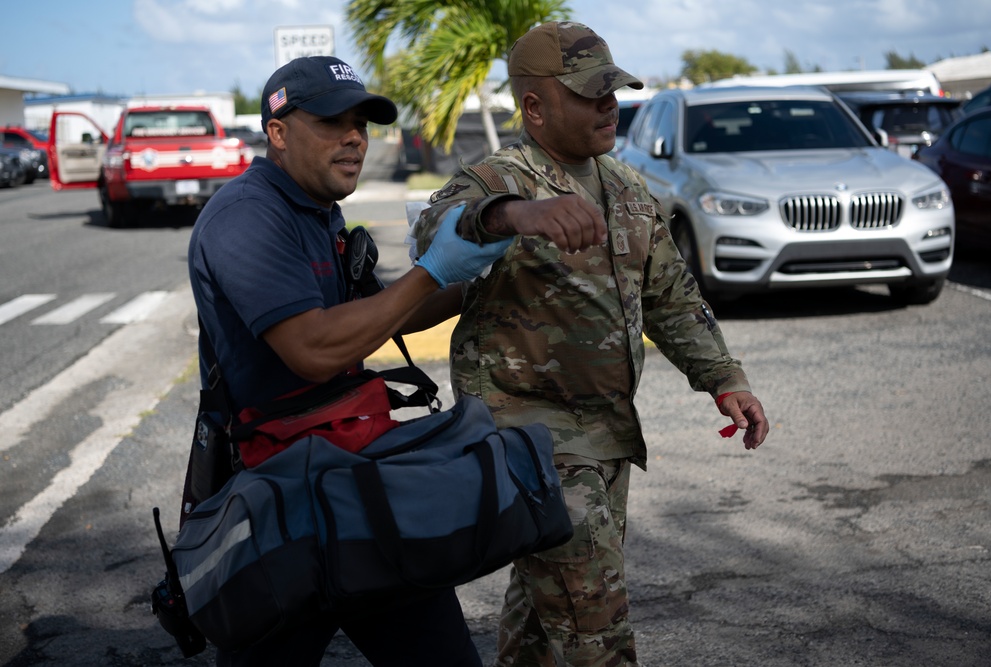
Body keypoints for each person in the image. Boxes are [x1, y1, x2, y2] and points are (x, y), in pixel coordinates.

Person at [411, 22, 770, 667]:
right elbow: (440, 229)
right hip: (530, 441)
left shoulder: (628, 190)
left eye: (613, 90)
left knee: (540, 613)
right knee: (594, 623)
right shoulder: (497, 179)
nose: (610, 104)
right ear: (535, 108)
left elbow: (672, 297)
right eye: (590, 93)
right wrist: (514, 215)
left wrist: (724, 378)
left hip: (605, 433)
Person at [187, 55, 512, 667]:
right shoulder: (247, 216)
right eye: (335, 122)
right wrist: (429, 273)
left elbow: (380, 315)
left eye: (362, 123)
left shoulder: (320, 211)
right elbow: (314, 349)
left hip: (353, 485)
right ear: (278, 132)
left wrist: (478, 273)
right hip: (281, 507)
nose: (355, 137)